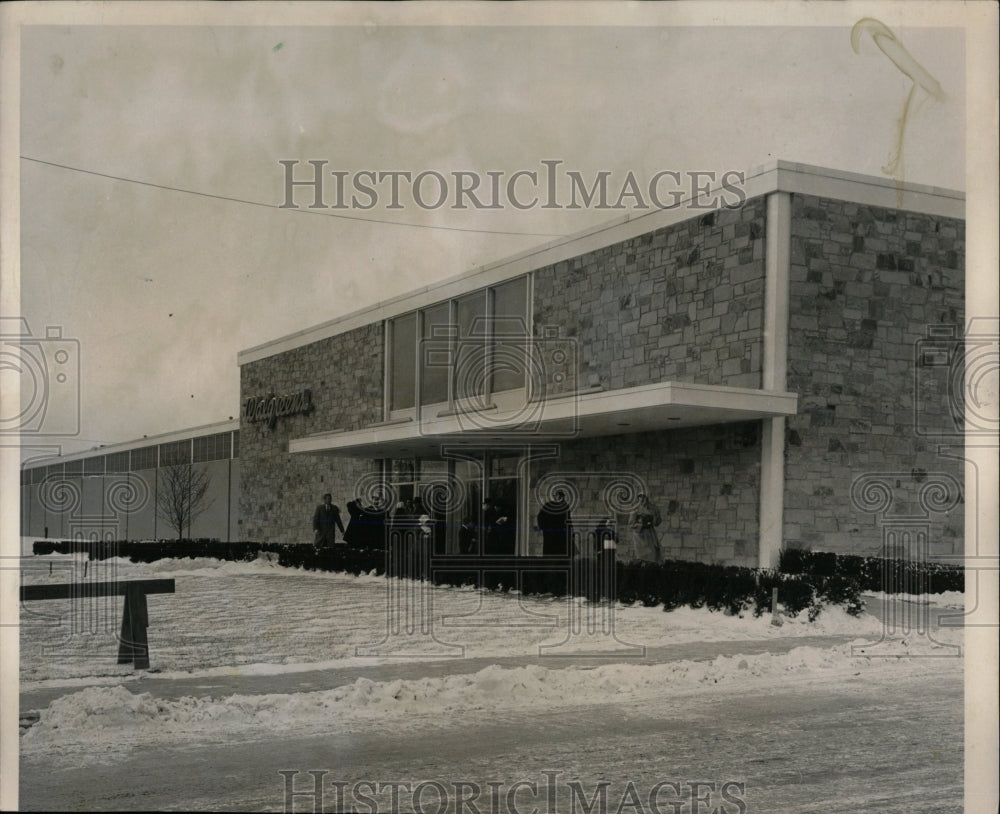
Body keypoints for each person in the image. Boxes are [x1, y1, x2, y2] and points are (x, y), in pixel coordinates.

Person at [536, 489, 573, 556]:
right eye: (557, 496)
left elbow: (568, 521)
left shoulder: (564, 507)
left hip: (560, 535)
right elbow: (541, 517)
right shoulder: (549, 505)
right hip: (552, 534)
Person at [628, 493, 662, 563]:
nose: (644, 501)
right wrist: (642, 524)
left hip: (650, 534)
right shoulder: (635, 510)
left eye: (645, 499)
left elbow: (657, 522)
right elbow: (631, 524)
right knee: (643, 556)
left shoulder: (652, 508)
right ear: (638, 500)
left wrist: (655, 517)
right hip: (640, 536)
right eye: (641, 499)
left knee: (654, 553)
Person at [594, 517, 618, 601]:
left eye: (610, 522)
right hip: (602, 553)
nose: (609, 524)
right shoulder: (598, 531)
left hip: (610, 552)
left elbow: (616, 540)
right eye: (607, 522)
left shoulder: (612, 531)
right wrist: (598, 550)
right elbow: (597, 542)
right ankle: (602, 592)